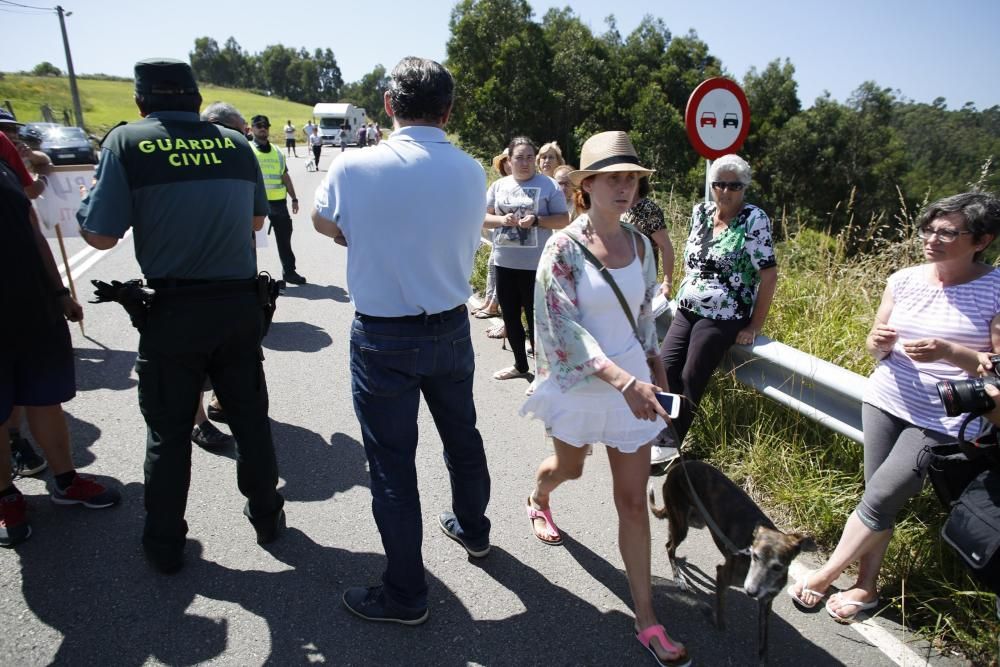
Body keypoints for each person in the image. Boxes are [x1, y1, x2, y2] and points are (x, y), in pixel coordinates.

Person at [78, 58, 285, 573]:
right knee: (251, 420)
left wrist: (89, 204)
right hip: (239, 306)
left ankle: (164, 543)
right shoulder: (235, 143)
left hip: (173, 313)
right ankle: (267, 516)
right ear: (195, 99)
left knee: (168, 432)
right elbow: (257, 219)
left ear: (141, 102)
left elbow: (100, 235)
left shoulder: (127, 143)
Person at [312, 56, 491, 626]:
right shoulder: (471, 170)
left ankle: (407, 594)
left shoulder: (351, 166)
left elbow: (323, 223)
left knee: (392, 466)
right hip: (451, 328)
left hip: (384, 335)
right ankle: (474, 528)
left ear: (388, 106)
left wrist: (369, 237)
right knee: (461, 435)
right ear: (449, 110)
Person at [789, 192, 1000, 622]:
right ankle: (866, 588)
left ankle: (824, 575)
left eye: (947, 232)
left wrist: (950, 352)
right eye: (929, 229)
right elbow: (875, 344)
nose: (932, 238)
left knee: (882, 494)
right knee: (877, 498)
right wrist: (877, 344)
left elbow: (995, 372)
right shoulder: (903, 279)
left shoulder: (994, 289)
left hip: (945, 420)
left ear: (981, 240)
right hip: (886, 401)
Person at [521, 131, 690, 667]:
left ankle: (647, 618)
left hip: (632, 386)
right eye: (613, 177)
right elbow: (562, 329)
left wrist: (655, 360)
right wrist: (623, 379)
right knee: (569, 467)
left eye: (633, 178)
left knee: (631, 500)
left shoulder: (640, 245)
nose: (626, 187)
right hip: (582, 385)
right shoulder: (562, 248)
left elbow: (642, 313)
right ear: (585, 184)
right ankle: (539, 496)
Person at [1, 131, 121, 548]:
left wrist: (58, 291)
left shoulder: (1, 147)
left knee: (44, 396)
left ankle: (66, 480)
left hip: (32, 303)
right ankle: (6, 499)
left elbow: (31, 226)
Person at [653, 154, 777, 465]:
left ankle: (670, 445)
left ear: (744, 187)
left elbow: (769, 274)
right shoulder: (701, 212)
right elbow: (693, 263)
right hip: (687, 306)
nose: (725, 190)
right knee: (665, 369)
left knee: (692, 374)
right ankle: (655, 432)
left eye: (733, 185)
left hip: (725, 312)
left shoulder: (753, 219)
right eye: (719, 184)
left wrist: (754, 326)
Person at [484, 137, 569, 381]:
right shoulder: (499, 186)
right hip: (504, 262)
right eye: (519, 157)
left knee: (537, 321)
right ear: (509, 161)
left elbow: (563, 219)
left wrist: (537, 220)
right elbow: (483, 218)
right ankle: (520, 366)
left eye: (530, 157)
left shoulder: (549, 185)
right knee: (510, 317)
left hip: (536, 266)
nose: (525, 162)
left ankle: (544, 374)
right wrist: (503, 220)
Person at [250, 114, 306, 285]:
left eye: (265, 126)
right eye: (259, 125)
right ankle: (250, 276)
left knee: (285, 239)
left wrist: (294, 198)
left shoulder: (277, 152)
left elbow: (285, 177)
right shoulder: (247, 149)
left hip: (278, 204)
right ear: (252, 128)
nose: (262, 128)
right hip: (254, 204)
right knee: (250, 241)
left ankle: (289, 272)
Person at [623, 178, 674, 297]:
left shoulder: (649, 210)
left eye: (629, 178)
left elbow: (665, 247)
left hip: (643, 285)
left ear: (639, 182)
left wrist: (667, 282)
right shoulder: (619, 207)